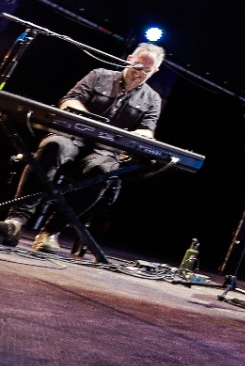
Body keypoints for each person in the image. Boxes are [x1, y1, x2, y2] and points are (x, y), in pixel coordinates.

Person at [0, 43, 166, 254]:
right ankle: (16, 221)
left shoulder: (152, 99)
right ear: (129, 58)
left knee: (103, 173)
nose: (139, 73)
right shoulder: (99, 75)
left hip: (105, 151)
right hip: (71, 137)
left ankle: (51, 231)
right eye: (137, 66)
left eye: (146, 71)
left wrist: (141, 135)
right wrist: (89, 118)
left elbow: (147, 130)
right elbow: (69, 100)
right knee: (52, 147)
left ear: (156, 71)